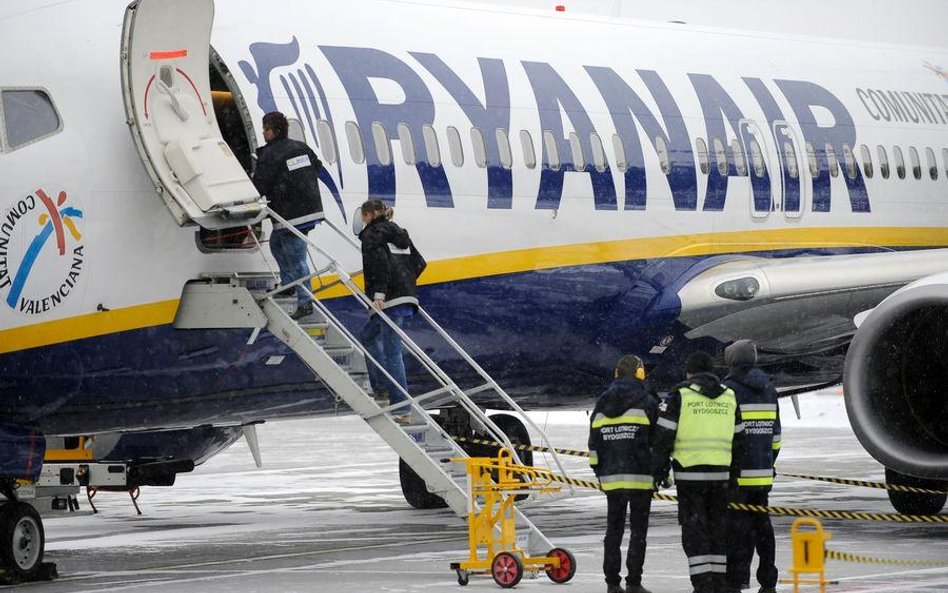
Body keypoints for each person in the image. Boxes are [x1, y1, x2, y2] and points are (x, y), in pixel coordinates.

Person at [652, 351, 744, 593]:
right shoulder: (729, 396)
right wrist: (734, 475)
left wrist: (659, 469)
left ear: (689, 372)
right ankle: (718, 581)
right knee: (718, 530)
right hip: (721, 476)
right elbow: (740, 440)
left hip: (690, 475)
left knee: (695, 531)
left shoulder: (681, 396)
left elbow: (663, 436)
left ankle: (702, 583)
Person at [588, 355, 658, 593]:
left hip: (612, 477)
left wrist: (601, 471)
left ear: (616, 374)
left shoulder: (602, 402)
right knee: (638, 532)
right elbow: (658, 441)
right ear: (640, 374)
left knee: (613, 530)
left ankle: (612, 583)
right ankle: (634, 583)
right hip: (641, 476)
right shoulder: (648, 402)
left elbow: (594, 443)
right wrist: (659, 472)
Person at [357, 199, 425, 424]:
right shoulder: (399, 233)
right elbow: (419, 263)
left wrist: (380, 294)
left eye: (365, 216)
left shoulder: (372, 234)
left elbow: (380, 265)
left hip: (386, 300)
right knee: (367, 336)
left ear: (373, 214)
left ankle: (402, 407)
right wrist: (405, 283)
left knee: (392, 352)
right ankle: (381, 389)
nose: (363, 220)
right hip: (404, 297)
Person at [252, 111, 324, 320]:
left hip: (290, 214)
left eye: (265, 128)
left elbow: (261, 185)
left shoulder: (270, 154)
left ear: (274, 131)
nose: (263, 132)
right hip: (309, 209)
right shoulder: (300, 147)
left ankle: (305, 301)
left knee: (296, 256)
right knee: (276, 244)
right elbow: (316, 167)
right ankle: (289, 284)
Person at [722, 340, 780, 593]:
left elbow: (726, 435)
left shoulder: (728, 390)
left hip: (737, 475)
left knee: (737, 531)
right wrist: (767, 461)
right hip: (762, 473)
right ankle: (768, 582)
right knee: (763, 529)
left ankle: (737, 581)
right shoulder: (769, 389)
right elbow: (776, 437)